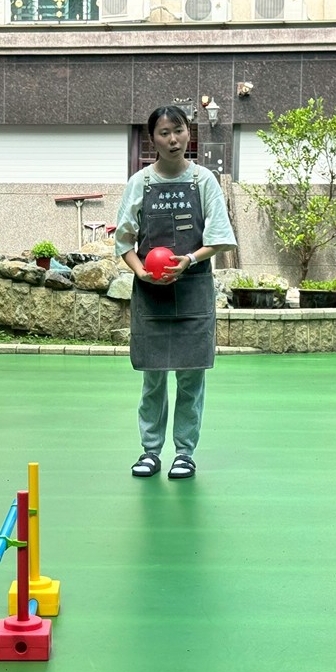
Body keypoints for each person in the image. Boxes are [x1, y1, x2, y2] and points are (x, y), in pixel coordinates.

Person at [114, 105, 238, 480]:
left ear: (189, 134)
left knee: (191, 378)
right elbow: (124, 241)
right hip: (151, 295)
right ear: (152, 139)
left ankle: (184, 453)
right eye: (164, 133)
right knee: (153, 377)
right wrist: (142, 272)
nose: (173, 139)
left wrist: (189, 260)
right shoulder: (140, 183)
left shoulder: (204, 181)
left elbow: (219, 238)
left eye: (179, 130)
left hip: (194, 290)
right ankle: (150, 451)